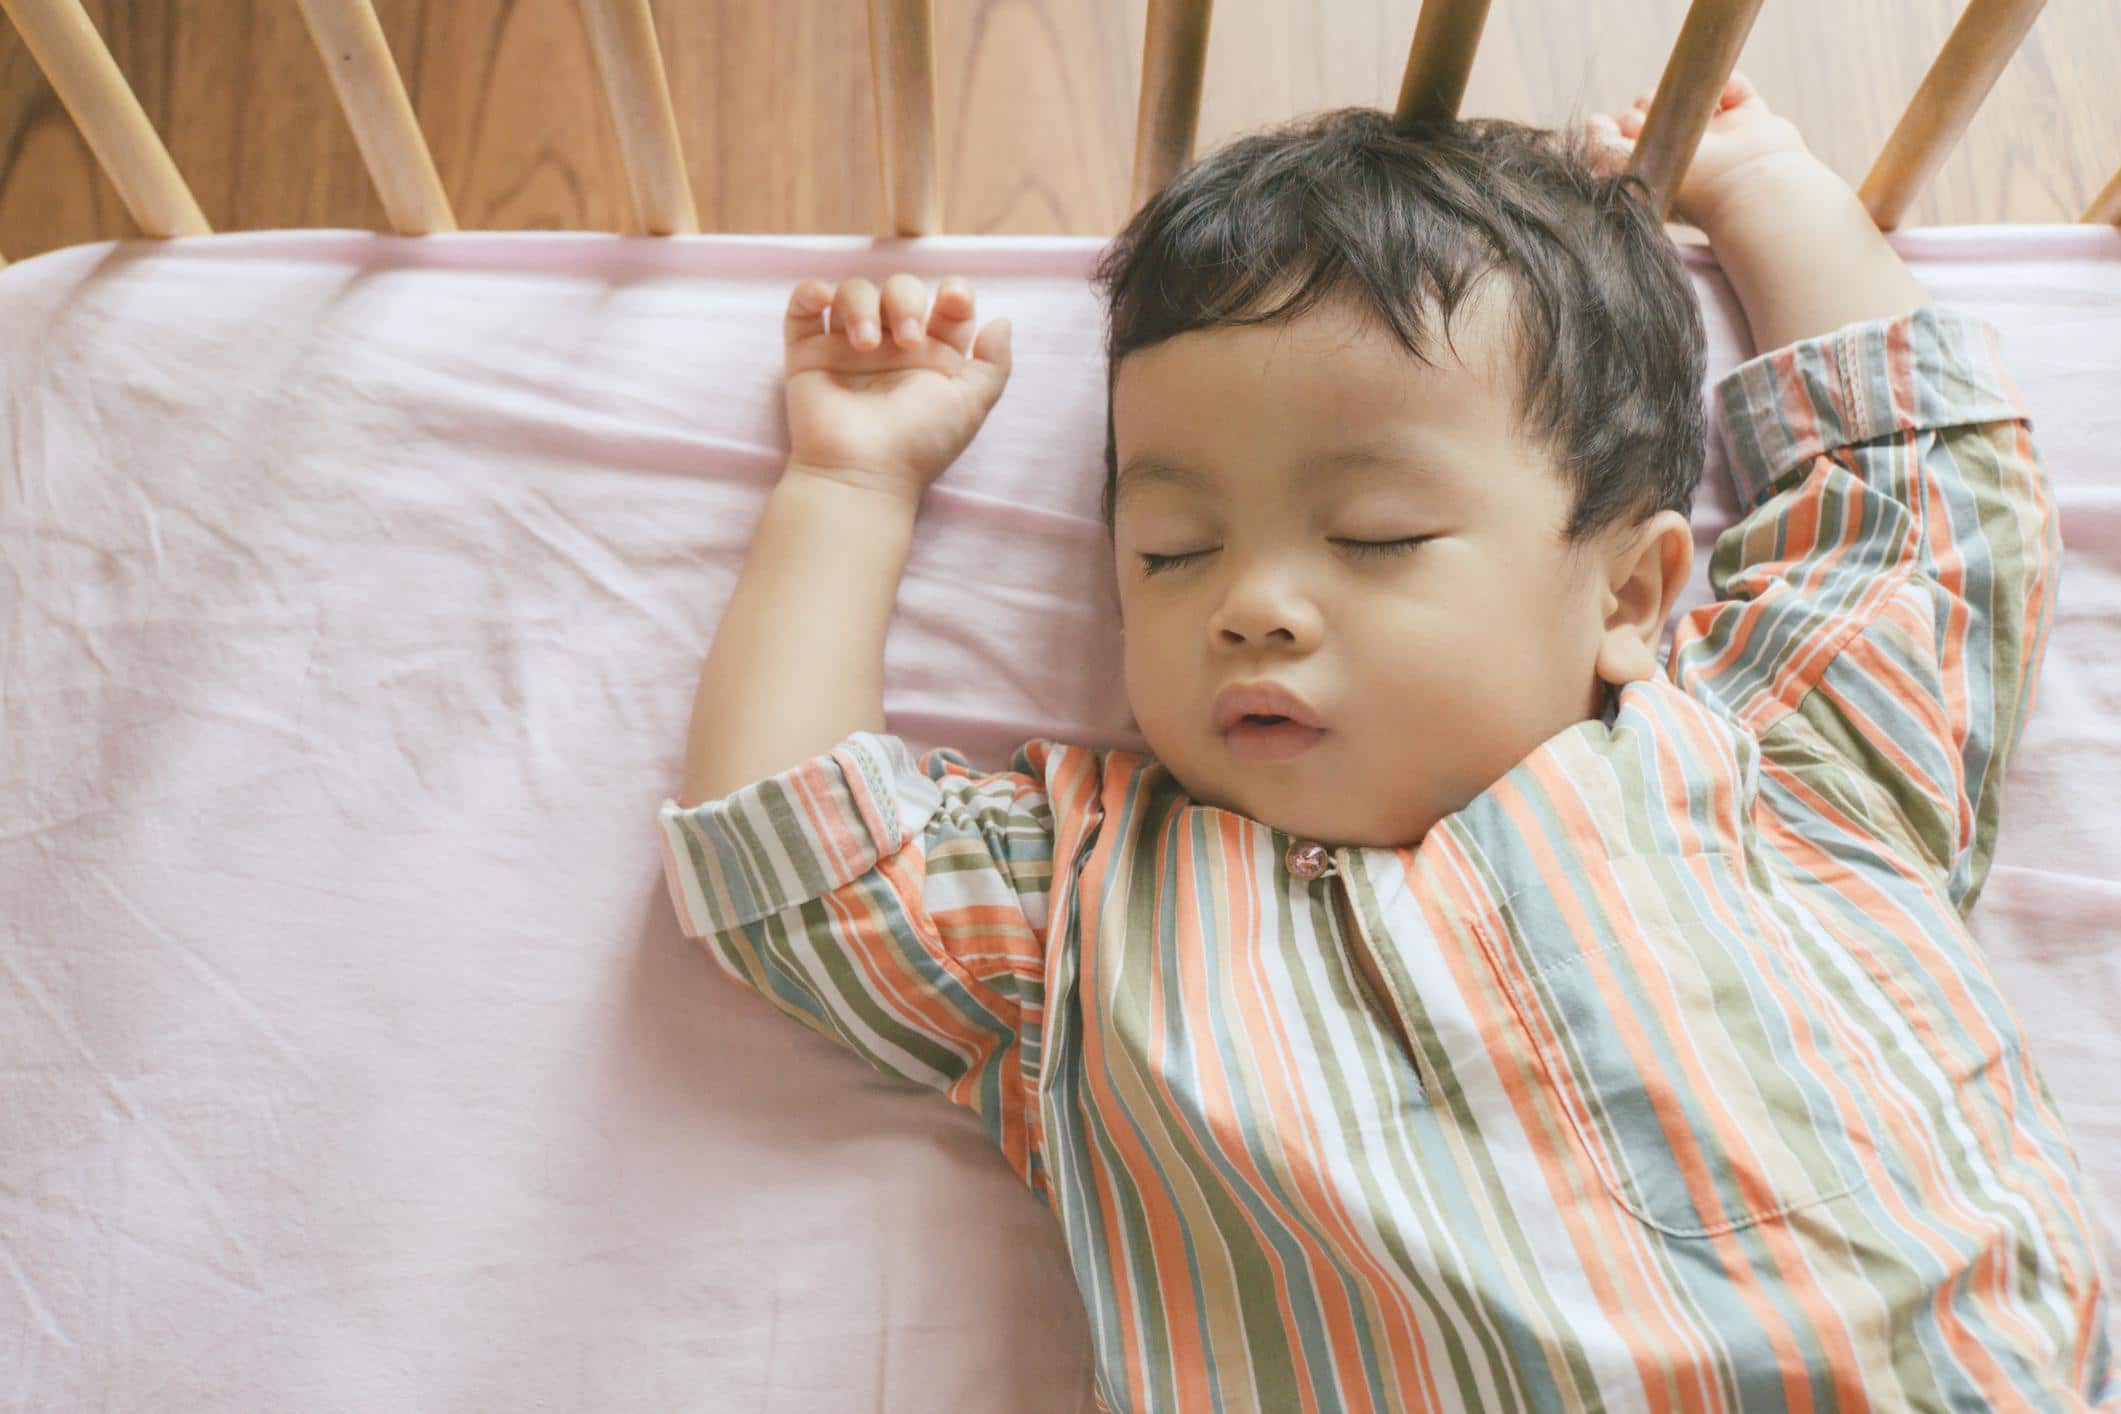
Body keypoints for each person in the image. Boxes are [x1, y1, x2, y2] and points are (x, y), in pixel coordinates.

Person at [659, 72, 2116, 1411]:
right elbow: (795, 860)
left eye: (1374, 536)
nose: (1252, 604)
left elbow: (1916, 493)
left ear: (1625, 590)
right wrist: (849, 486)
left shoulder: (1772, 753)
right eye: (1170, 551)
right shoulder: (1089, 903)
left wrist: (1759, 190)